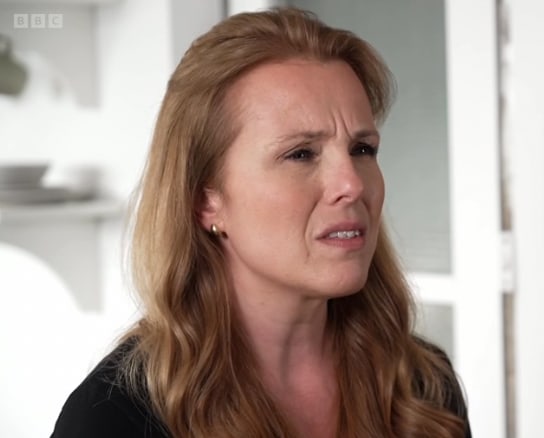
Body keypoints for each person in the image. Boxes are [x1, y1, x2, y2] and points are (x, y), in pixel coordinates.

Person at [51, 7, 471, 438]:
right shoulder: (114, 418)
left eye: (362, 149)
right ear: (204, 200)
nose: (352, 184)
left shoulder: (421, 387)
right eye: (301, 154)